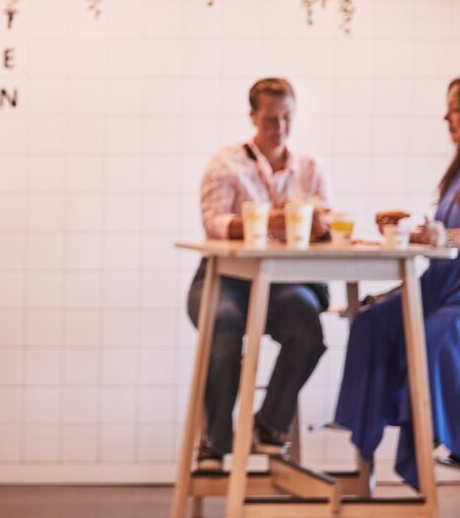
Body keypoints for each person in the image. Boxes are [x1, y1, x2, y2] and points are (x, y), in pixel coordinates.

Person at [186, 77, 332, 470]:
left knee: (308, 329)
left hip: (284, 281)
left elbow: (322, 224)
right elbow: (216, 223)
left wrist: (302, 224)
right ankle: (215, 443)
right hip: (225, 278)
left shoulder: (310, 167)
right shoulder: (226, 162)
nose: (279, 127)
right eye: (270, 118)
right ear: (252, 116)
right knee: (224, 327)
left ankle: (268, 424)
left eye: (287, 118)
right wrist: (286, 218)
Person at [334, 78, 460, 488]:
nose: (446, 118)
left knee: (432, 339)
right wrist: (412, 233)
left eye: (455, 109)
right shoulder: (453, 174)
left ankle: (435, 440)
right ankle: (364, 440)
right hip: (436, 285)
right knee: (371, 323)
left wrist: (441, 237)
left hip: (456, 297)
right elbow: (444, 234)